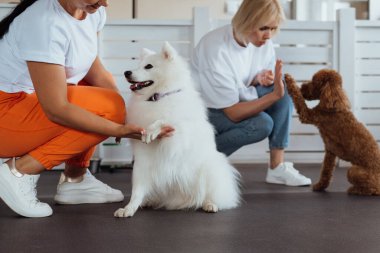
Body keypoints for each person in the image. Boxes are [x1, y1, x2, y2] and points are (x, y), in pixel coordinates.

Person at [0, 0, 173, 218]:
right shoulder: (44, 23)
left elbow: (92, 70)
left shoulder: (91, 12)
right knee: (108, 107)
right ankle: (18, 171)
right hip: (5, 114)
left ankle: (75, 179)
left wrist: (125, 117)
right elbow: (56, 109)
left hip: (27, 104)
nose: (105, 3)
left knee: (103, 99)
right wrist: (116, 127)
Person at [191, 0, 311, 187]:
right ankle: (197, 161)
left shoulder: (263, 43)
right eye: (263, 28)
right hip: (206, 112)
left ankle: (277, 168)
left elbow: (243, 80)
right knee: (261, 124)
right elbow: (232, 112)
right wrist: (272, 96)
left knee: (281, 89)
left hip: (233, 101)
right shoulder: (215, 47)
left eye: (273, 28)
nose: (268, 35)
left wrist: (259, 79)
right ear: (246, 20)